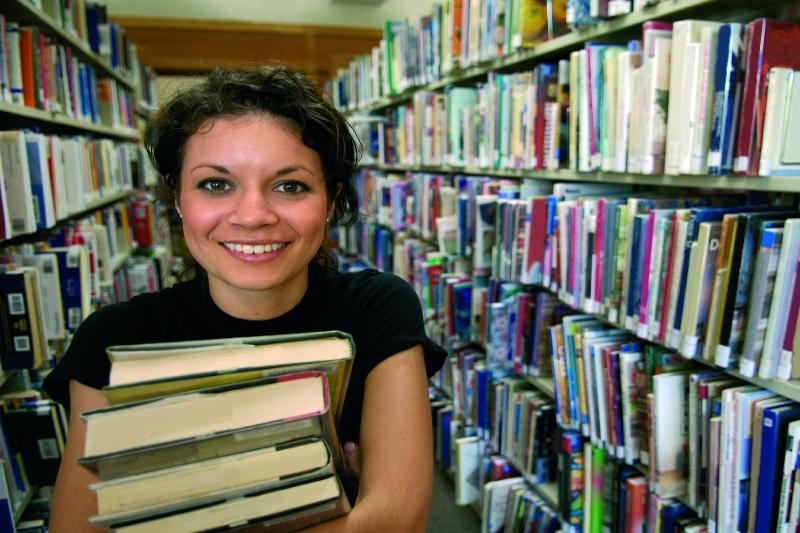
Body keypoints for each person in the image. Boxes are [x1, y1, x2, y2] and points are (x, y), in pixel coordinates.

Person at [43, 66, 447, 532]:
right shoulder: (114, 341)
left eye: (290, 185)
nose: (253, 216)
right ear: (178, 197)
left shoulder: (377, 308)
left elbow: (397, 523)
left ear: (332, 200)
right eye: (216, 184)